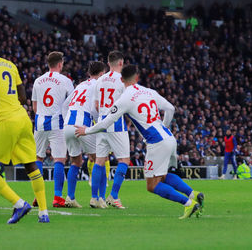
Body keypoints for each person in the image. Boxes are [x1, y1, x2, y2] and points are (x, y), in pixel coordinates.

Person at [76, 65, 204, 219]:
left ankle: (188, 204)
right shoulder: (150, 91)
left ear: (122, 80)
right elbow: (170, 108)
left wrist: (86, 131)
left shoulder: (125, 98)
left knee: (152, 185)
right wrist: (163, 127)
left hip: (156, 142)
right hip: (169, 137)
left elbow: (105, 123)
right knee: (162, 177)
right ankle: (193, 194)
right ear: (137, 78)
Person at [0, 35, 50, 224]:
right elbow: (23, 96)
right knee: (31, 164)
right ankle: (43, 213)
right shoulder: (10, 65)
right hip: (23, 118)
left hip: (6, 120)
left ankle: (19, 204)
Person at [31, 51, 74, 208]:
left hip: (40, 123)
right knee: (59, 159)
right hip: (58, 123)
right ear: (60, 64)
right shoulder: (65, 81)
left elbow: (35, 107)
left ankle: (38, 195)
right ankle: (57, 197)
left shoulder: (38, 81)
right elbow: (71, 104)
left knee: (38, 158)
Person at [91, 51, 130, 209]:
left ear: (108, 63)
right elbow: (127, 103)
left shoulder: (99, 80)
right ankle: (113, 196)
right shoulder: (122, 80)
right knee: (124, 160)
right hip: (116, 123)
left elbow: (96, 105)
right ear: (121, 63)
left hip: (101, 122)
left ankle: (94, 198)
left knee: (99, 161)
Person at [62, 61, 102, 208]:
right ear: (101, 74)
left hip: (68, 124)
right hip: (82, 125)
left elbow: (65, 105)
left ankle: (70, 197)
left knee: (76, 162)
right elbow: (95, 109)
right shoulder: (97, 85)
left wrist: (67, 121)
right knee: (99, 159)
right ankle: (95, 198)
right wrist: (99, 124)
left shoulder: (80, 85)